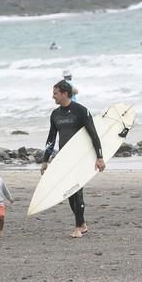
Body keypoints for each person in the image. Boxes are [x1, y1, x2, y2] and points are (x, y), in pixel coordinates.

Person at [41, 80, 105, 238]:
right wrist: (45, 160)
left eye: (55, 93)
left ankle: (77, 227)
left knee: (77, 191)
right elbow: (51, 138)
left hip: (80, 157)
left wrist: (100, 157)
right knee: (69, 193)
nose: (52, 96)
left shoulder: (81, 111)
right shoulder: (55, 114)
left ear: (64, 93)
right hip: (64, 158)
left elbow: (93, 134)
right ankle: (82, 223)